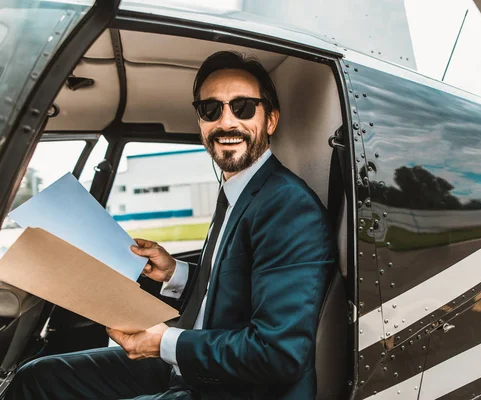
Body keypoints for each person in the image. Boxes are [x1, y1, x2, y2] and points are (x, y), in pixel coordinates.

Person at [6, 51, 336, 399]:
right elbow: (228, 291)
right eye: (211, 109)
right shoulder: (240, 191)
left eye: (243, 107)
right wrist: (174, 272)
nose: (226, 122)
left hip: (236, 389)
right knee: (38, 377)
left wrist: (163, 343)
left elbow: (278, 354)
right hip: (197, 369)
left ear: (270, 120)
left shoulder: (287, 206)